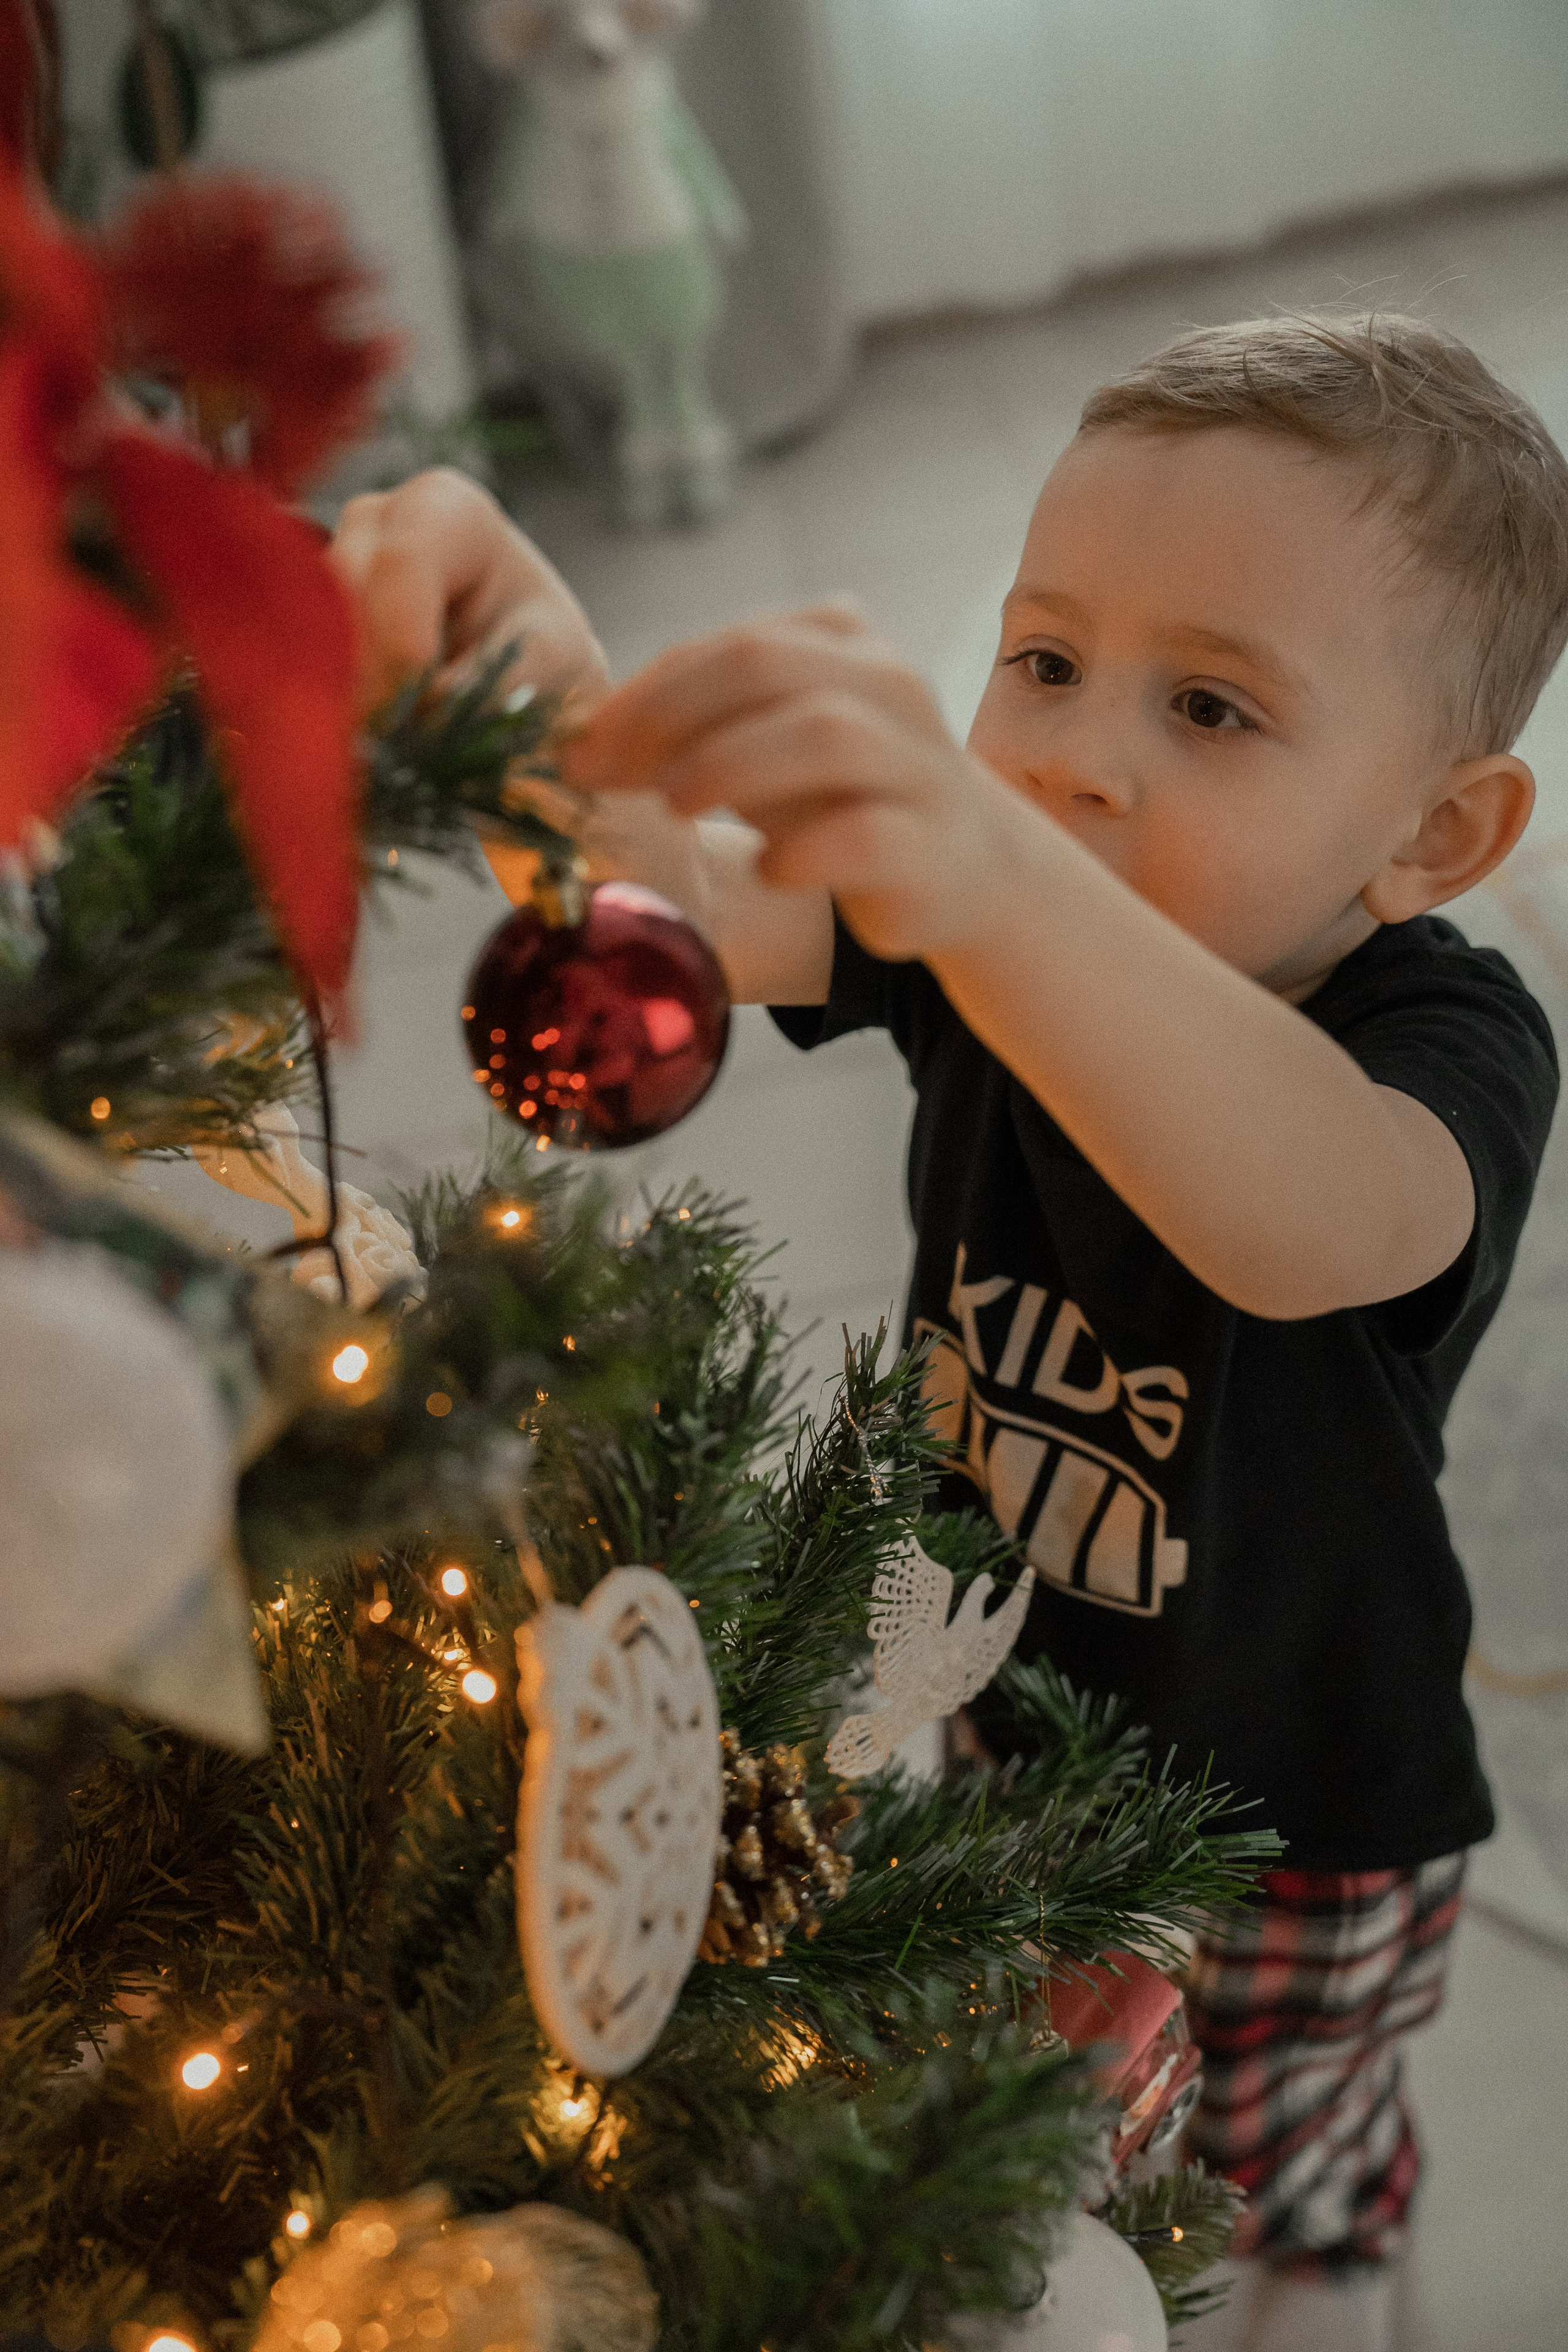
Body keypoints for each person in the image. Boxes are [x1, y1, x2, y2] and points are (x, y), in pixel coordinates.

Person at [331, 312, 1568, 2351]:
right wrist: (534, 656)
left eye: (1213, 709)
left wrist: (993, 875)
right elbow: (655, 895)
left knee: (1275, 2151)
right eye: (1047, 660)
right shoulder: (966, 935)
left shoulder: (1441, 1038)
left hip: (1306, 1818)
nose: (1080, 752)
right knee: (1062, 2101)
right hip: (1010, 1713)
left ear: (1431, 838)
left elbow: (1306, 1218)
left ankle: (1346, 2238)